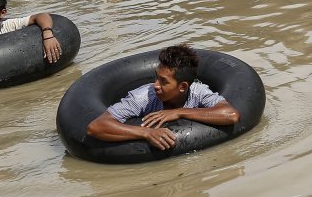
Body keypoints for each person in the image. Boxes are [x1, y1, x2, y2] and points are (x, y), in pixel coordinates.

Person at [86, 44, 240, 150]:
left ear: (183, 87)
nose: (156, 85)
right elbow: (96, 127)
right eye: (156, 77)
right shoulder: (143, 97)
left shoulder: (198, 92)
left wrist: (178, 112)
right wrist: (146, 133)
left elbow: (230, 115)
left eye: (163, 81)